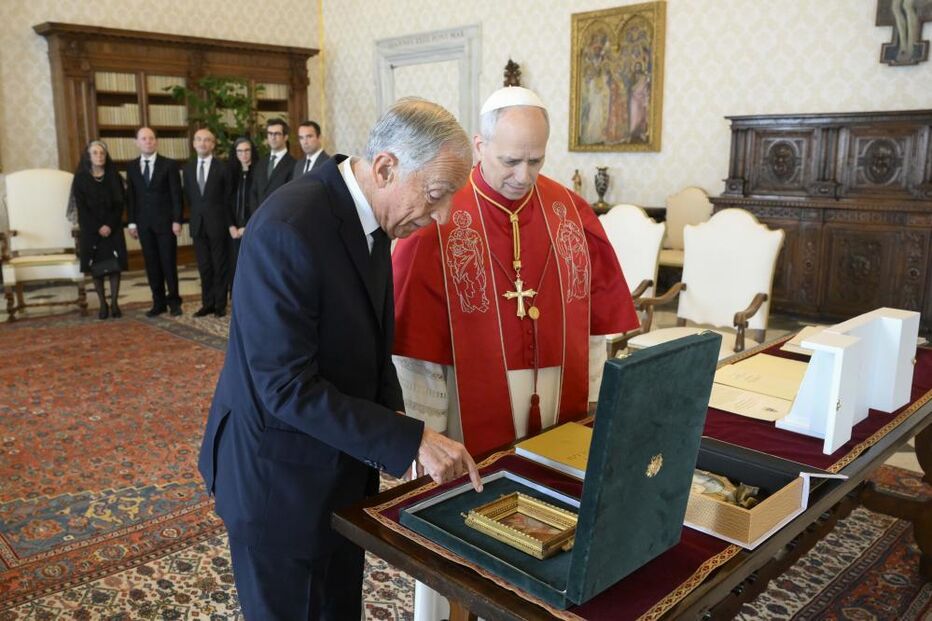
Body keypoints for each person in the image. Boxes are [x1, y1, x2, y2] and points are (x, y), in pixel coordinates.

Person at [197, 98, 482, 621]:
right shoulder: (289, 226)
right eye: (437, 195)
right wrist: (409, 439)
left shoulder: (369, 217)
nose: (441, 217)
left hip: (334, 473)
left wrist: (398, 422)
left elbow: (371, 347)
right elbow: (286, 387)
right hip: (277, 484)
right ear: (386, 167)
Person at [391, 87, 640, 621]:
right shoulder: (441, 213)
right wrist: (424, 434)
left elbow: (598, 324)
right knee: (459, 527)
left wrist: (597, 401)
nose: (524, 175)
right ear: (479, 145)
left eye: (536, 159)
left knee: (549, 517)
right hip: (464, 403)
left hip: (555, 401)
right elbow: (414, 346)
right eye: (510, 160)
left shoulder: (569, 210)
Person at [126, 127, 184, 317]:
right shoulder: (132, 167)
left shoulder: (169, 165)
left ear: (156, 142)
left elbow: (177, 195)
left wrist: (177, 220)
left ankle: (174, 301)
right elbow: (131, 197)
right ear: (137, 142)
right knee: (152, 264)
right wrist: (132, 223)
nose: (148, 142)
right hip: (144, 224)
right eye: (144, 139)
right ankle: (158, 302)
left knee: (168, 263)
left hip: (166, 223)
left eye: (151, 138)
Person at [71, 140, 129, 320]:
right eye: (95, 153)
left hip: (113, 227)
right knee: (97, 268)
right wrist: (98, 227)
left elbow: (120, 204)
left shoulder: (114, 176)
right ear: (88, 156)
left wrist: (109, 225)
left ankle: (114, 304)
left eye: (102, 153)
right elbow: (82, 208)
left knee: (114, 267)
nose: (99, 156)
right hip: (91, 229)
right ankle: (103, 304)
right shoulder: (80, 178)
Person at [183, 128, 233, 318]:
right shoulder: (187, 169)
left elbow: (227, 197)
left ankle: (220, 304)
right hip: (197, 224)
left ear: (213, 144)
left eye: (207, 140)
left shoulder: (222, 168)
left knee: (219, 265)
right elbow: (188, 196)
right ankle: (207, 303)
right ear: (194, 143)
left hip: (218, 223)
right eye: (199, 140)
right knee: (204, 266)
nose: (202, 143)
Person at [248, 117, 295, 214]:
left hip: (280, 218)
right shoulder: (260, 163)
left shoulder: (294, 164)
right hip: (259, 219)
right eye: (270, 134)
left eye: (277, 134)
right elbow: (253, 192)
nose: (273, 137)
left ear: (285, 137)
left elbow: (291, 197)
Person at [227, 137, 256, 285]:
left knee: (252, 266)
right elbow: (225, 202)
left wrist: (248, 227)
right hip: (234, 229)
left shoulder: (258, 172)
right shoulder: (231, 173)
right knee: (235, 267)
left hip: (252, 227)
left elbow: (259, 202)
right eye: (239, 151)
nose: (243, 154)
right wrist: (231, 226)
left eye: (246, 150)